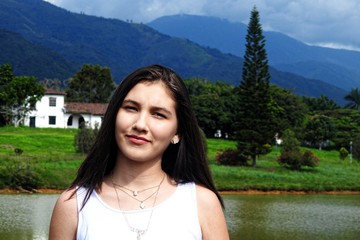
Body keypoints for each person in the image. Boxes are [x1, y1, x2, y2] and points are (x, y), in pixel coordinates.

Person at [49, 64, 229, 240]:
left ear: (177, 132)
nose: (140, 125)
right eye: (131, 108)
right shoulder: (73, 205)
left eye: (158, 114)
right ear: (114, 116)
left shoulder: (202, 204)